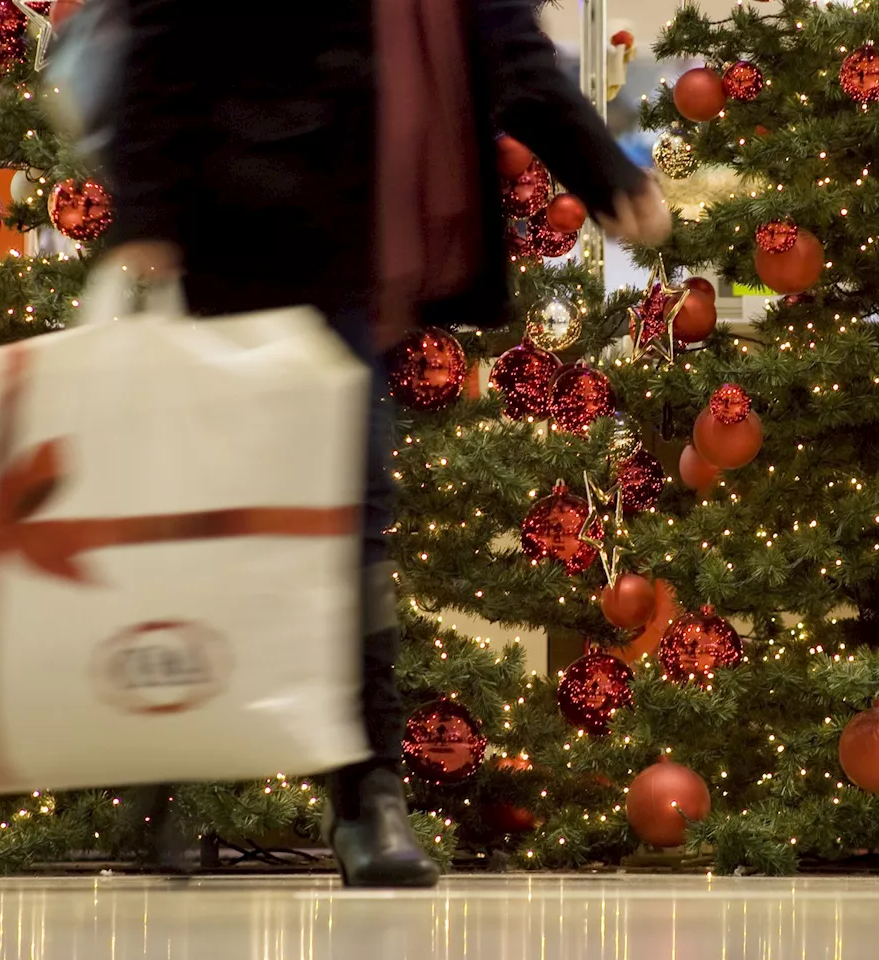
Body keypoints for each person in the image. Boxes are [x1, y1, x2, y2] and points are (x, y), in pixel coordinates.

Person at [104, 0, 671, 888]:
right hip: (246, 226)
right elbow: (161, 37)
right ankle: (173, 777)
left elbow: (503, 40)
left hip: (351, 248)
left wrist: (601, 168)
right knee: (221, 516)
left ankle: (367, 795)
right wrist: (143, 210)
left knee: (352, 519)